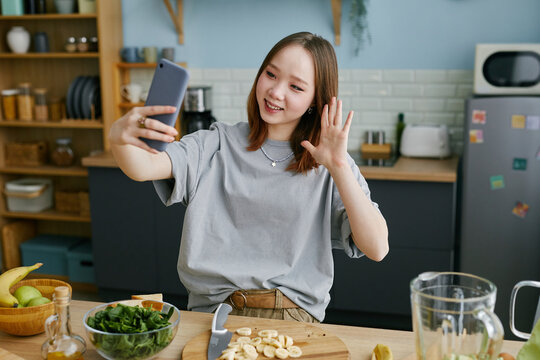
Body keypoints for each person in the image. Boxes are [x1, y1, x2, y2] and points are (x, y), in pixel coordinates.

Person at [109, 32, 388, 323]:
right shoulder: (216, 143)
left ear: (315, 101)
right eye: (271, 74)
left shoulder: (330, 162)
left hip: (290, 316)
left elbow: (377, 248)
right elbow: (143, 167)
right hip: (211, 315)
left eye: (295, 86)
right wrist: (118, 137)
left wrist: (339, 167)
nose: (276, 92)